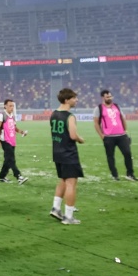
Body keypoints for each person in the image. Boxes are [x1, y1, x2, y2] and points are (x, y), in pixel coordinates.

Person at [50, 88, 85, 225]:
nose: (76, 100)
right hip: (68, 153)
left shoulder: (53, 114)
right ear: (67, 100)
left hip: (57, 151)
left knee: (63, 180)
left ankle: (56, 208)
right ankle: (68, 217)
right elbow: (73, 135)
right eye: (74, 98)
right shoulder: (70, 116)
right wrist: (80, 139)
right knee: (71, 183)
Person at [93, 89, 137, 181]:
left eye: (110, 96)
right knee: (110, 156)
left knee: (127, 153)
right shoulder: (99, 108)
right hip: (108, 137)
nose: (109, 98)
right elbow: (96, 123)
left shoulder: (117, 106)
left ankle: (130, 174)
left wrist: (125, 130)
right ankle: (114, 175)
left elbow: (122, 118)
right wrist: (102, 136)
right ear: (102, 98)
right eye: (107, 97)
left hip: (121, 135)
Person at [0, 98, 29, 185]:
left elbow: (14, 127)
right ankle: (18, 176)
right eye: (10, 106)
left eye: (13, 106)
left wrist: (21, 132)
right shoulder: (1, 115)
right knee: (11, 159)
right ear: (5, 106)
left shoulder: (12, 116)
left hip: (12, 140)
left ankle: (2, 176)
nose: (12, 108)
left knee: (8, 160)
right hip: (5, 140)